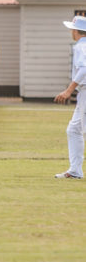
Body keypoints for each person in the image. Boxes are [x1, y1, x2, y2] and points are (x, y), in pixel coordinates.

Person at [53, 14, 86, 180]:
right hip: (83, 93)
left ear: (76, 31)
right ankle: (75, 171)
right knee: (73, 130)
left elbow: (84, 70)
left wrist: (68, 91)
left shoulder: (81, 46)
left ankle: (75, 171)